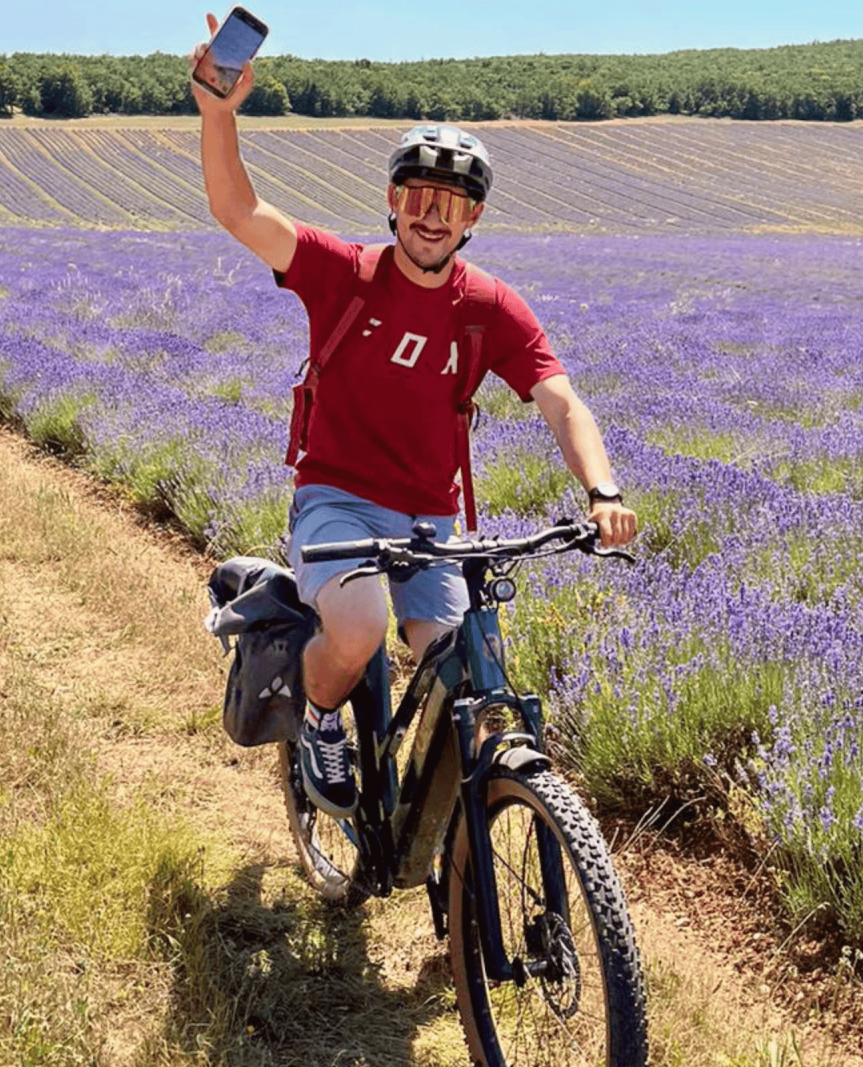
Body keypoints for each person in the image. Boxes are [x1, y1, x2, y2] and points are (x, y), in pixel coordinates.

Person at [189, 14, 638, 818]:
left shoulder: (489, 307)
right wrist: (219, 112)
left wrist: (602, 490)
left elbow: (559, 396)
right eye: (419, 195)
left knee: (464, 672)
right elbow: (238, 210)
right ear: (394, 202)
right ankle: (321, 719)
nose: (433, 213)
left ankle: (447, 840)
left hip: (434, 518)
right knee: (357, 625)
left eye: (452, 202)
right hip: (336, 503)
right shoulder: (344, 274)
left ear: (473, 220)